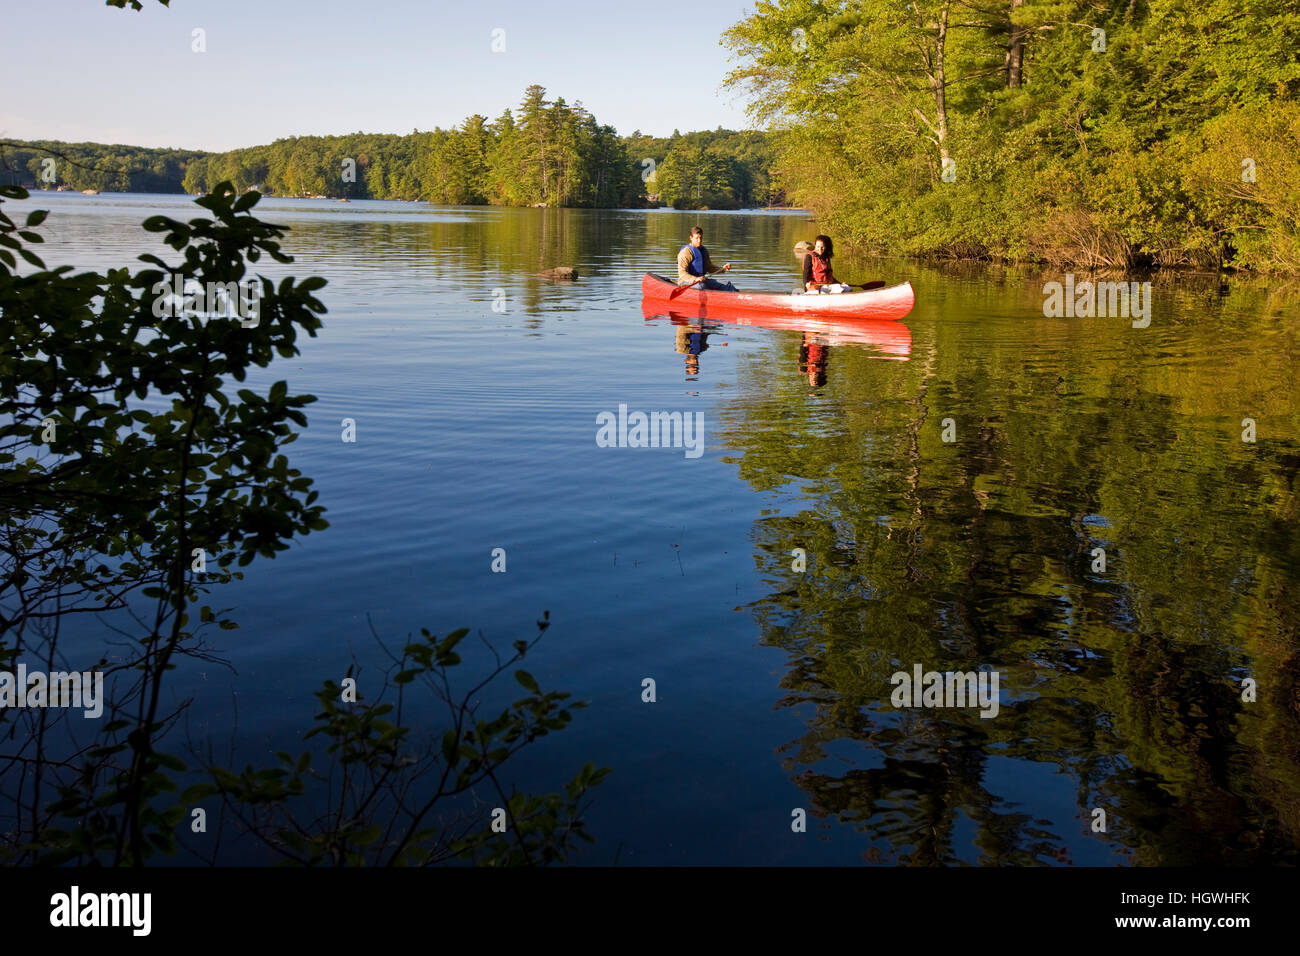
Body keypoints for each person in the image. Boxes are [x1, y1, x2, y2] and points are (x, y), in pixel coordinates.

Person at [677, 226, 736, 291]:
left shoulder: (704, 251)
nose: (699, 240)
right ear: (691, 238)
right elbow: (682, 273)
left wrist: (723, 269)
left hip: (702, 281)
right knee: (701, 286)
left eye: (701, 238)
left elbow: (710, 268)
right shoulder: (686, 252)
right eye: (697, 238)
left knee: (727, 284)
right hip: (686, 281)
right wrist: (695, 279)